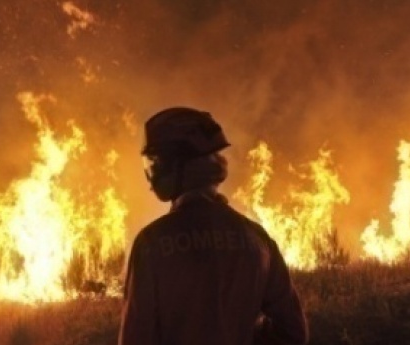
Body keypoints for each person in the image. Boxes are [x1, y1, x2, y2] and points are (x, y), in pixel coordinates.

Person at [118, 107, 308, 345]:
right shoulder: (257, 239)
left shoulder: (151, 244)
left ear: (177, 165)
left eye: (156, 162)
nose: (152, 172)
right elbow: (293, 332)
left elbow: (136, 339)